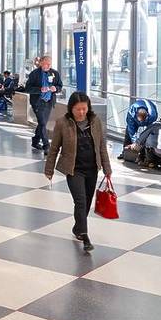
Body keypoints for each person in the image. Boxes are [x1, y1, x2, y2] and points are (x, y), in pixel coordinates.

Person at [44, 92, 112, 252]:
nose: (81, 112)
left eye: (84, 109)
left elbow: (101, 146)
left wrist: (107, 168)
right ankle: (85, 236)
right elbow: (54, 148)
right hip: (74, 169)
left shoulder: (95, 121)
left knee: (86, 202)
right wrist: (49, 169)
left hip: (92, 168)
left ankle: (77, 228)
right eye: (77, 109)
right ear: (71, 108)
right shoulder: (62, 123)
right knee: (80, 201)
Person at [26, 55, 62, 152]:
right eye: (46, 64)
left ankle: (35, 141)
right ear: (41, 63)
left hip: (49, 102)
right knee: (42, 123)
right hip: (38, 102)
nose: (47, 66)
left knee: (42, 124)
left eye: (49, 64)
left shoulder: (55, 73)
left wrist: (56, 89)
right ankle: (47, 146)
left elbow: (60, 86)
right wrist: (40, 89)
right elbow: (28, 88)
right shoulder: (34, 74)